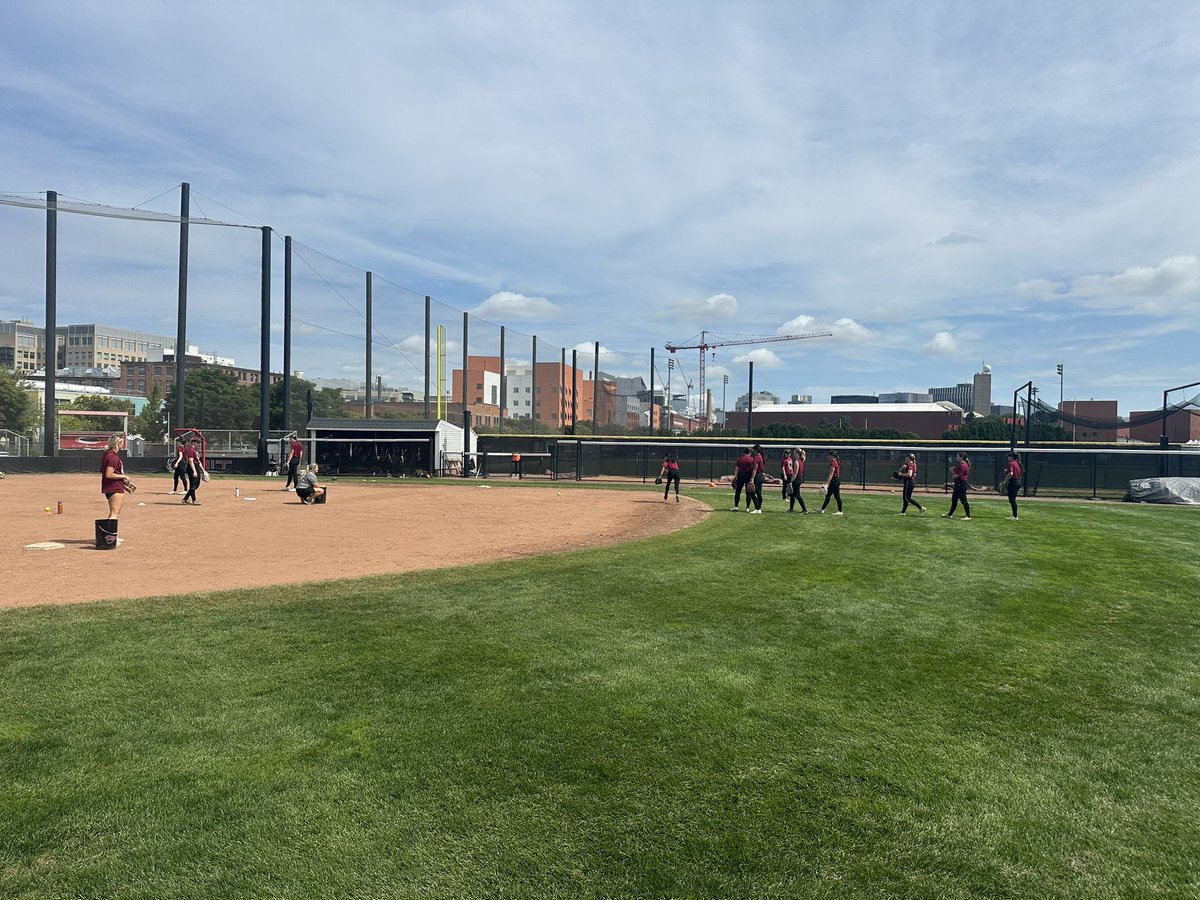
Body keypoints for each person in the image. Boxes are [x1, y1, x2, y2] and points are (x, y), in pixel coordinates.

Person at [100, 433, 132, 519]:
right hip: (114, 487)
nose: (123, 444)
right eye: (121, 442)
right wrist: (124, 477)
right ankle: (109, 532)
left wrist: (122, 481)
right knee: (114, 514)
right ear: (117, 444)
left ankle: (109, 532)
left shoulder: (107, 454)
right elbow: (109, 474)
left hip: (112, 486)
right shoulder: (112, 456)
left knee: (113, 513)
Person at [945, 451, 972, 520]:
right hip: (958, 485)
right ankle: (950, 514)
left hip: (961, 485)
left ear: (961, 457)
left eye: (957, 456)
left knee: (964, 500)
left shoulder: (963, 465)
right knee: (954, 500)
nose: (956, 457)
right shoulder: (960, 464)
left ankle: (968, 516)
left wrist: (953, 472)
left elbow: (956, 475)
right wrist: (954, 469)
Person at [182, 437, 205, 506]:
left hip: (196, 467)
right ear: (193, 443)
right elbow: (190, 461)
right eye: (197, 442)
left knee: (196, 485)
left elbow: (198, 461)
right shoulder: (190, 450)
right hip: (192, 468)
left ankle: (185, 499)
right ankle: (194, 500)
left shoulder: (195, 451)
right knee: (193, 484)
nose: (199, 444)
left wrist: (203, 470)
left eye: (199, 443)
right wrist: (194, 471)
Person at [818, 450, 843, 515]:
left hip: (835, 481)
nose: (828, 456)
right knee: (828, 496)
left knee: (837, 496)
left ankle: (840, 511)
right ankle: (822, 509)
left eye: (829, 455)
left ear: (832, 456)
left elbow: (831, 473)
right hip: (834, 481)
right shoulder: (834, 461)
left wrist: (826, 483)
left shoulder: (834, 462)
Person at [1000, 452, 1022, 520]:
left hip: (1014, 482)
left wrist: (1005, 482)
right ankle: (1014, 515)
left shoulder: (1011, 463)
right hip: (1018, 481)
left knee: (1012, 500)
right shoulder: (1017, 463)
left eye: (1009, 456)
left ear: (1012, 457)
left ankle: (1015, 516)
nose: (1008, 458)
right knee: (1012, 499)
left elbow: (1011, 473)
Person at [788, 448, 808, 514]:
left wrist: (791, 481)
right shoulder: (802, 460)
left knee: (797, 495)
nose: (793, 454)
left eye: (794, 453)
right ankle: (791, 509)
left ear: (797, 453)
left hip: (797, 479)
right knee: (792, 494)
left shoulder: (797, 461)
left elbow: (795, 473)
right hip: (800, 478)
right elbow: (804, 454)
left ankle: (805, 510)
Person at [748, 443, 766, 513]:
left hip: (758, 476)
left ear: (755, 450)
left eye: (753, 450)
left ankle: (757, 508)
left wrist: (752, 479)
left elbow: (755, 469)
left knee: (752, 492)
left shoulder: (757, 457)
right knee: (759, 493)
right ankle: (759, 509)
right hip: (761, 475)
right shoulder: (761, 456)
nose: (752, 451)